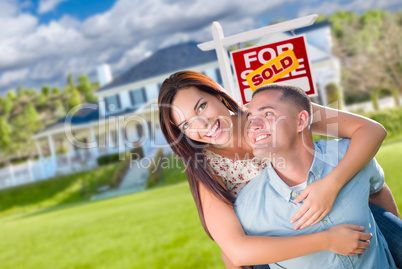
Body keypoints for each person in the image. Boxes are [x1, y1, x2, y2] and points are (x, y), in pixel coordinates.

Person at [158, 71, 395, 266]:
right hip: (282, 244)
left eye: (201, 107)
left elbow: (371, 131)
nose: (202, 124)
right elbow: (237, 250)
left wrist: (332, 184)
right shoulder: (206, 169)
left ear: (218, 97)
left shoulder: (269, 110)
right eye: (187, 124)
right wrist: (326, 240)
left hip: (341, 210)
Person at [234, 83, 397, 268]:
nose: (253, 126)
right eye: (250, 118)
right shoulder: (247, 206)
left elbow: (378, 190)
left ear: (301, 121)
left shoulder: (350, 155)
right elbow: (236, 256)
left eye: (267, 114)